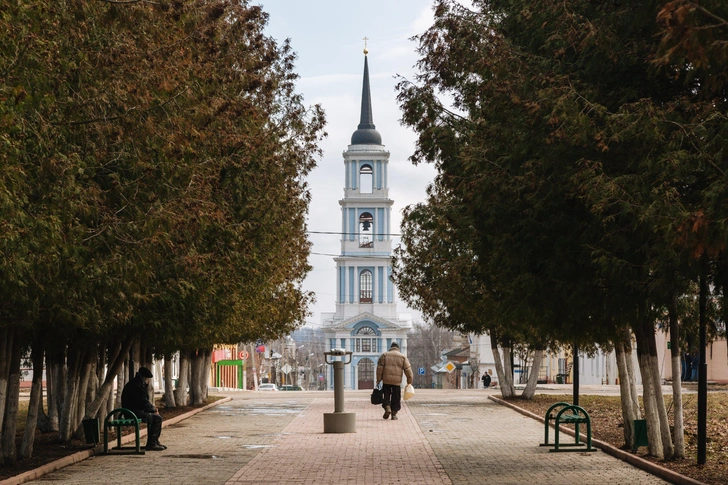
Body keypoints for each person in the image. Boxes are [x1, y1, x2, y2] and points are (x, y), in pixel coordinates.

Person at [121, 366, 165, 451]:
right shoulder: (138, 386)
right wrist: (153, 409)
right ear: (145, 378)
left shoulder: (136, 383)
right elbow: (142, 402)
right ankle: (152, 443)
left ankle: (155, 441)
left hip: (133, 411)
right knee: (157, 418)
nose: (148, 382)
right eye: (148, 379)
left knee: (154, 417)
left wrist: (152, 409)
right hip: (133, 412)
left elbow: (142, 402)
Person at [376, 342, 413, 421]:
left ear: (391, 347)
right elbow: (408, 370)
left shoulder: (385, 355)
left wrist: (378, 380)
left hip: (386, 380)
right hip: (397, 382)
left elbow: (379, 369)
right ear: (398, 348)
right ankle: (394, 414)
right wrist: (409, 381)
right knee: (396, 397)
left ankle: (387, 407)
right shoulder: (402, 357)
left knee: (386, 395)